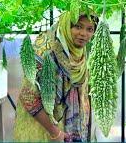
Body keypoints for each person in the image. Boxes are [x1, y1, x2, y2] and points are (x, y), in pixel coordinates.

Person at [13, 10, 99, 142]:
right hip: (45, 130)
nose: (84, 34)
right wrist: (55, 133)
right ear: (66, 25)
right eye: (78, 26)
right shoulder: (44, 49)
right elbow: (28, 96)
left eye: (90, 29)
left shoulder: (80, 51)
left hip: (72, 128)